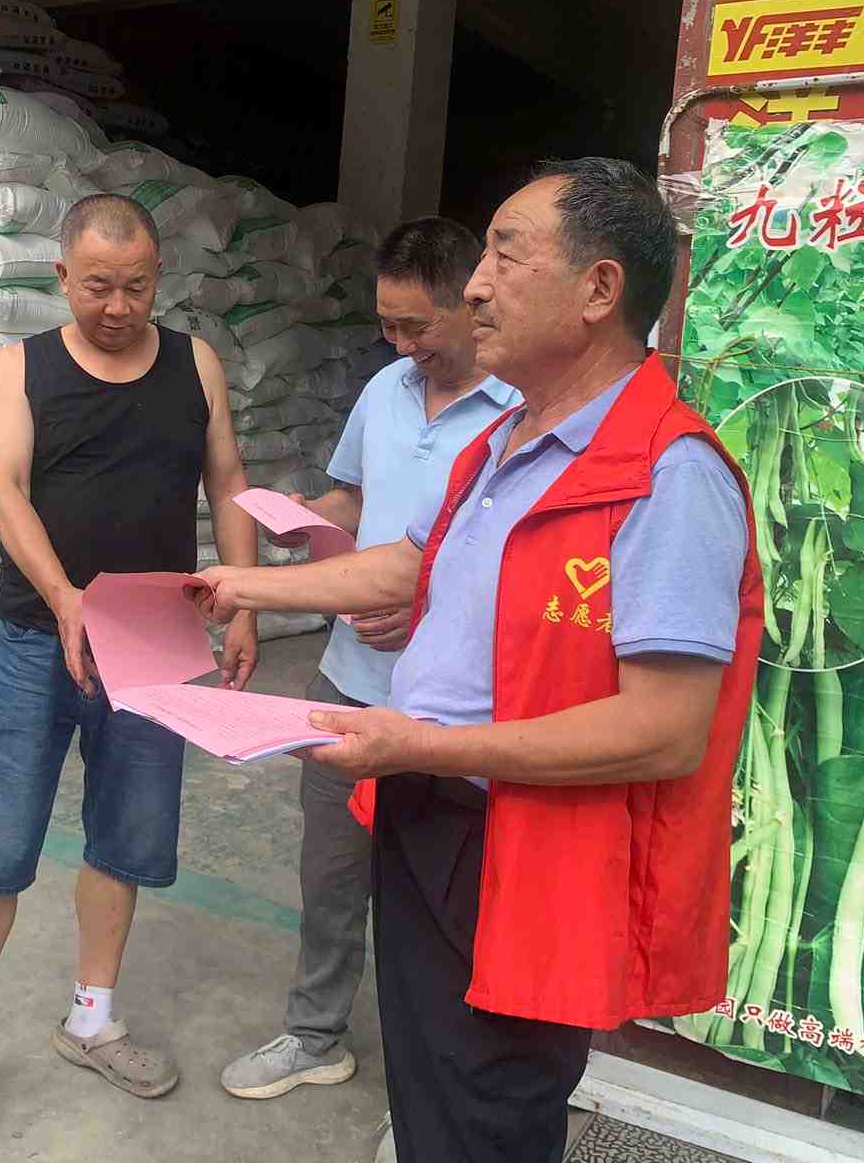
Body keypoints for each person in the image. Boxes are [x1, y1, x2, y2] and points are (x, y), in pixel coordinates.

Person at [196, 158, 762, 1162]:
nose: (475, 285)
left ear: (598, 289)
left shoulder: (667, 477)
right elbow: (409, 565)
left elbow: (665, 729)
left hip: (523, 845)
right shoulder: (502, 441)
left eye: (505, 253)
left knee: (489, 1103)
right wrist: (242, 587)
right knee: (429, 1082)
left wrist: (417, 741)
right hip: (425, 808)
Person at [0, 193, 261, 1141]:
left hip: (155, 643)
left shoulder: (193, 363)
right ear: (62, 276)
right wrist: (66, 598)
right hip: (37, 638)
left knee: (125, 836)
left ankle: (92, 1018)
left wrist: (244, 596)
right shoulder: (18, 368)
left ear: (159, 278)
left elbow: (226, 478)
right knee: (3, 844)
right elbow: (6, 489)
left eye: (136, 287)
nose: (118, 306)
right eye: (98, 286)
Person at [220, 218, 519, 1101]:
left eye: (414, 326)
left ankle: (434, 1089)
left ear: (469, 301)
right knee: (330, 876)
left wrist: (419, 603)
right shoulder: (386, 388)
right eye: (386, 325)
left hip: (450, 711)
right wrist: (301, 521)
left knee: (438, 903)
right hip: (346, 681)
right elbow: (355, 498)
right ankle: (314, 1035)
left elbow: (518, 563)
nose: (398, 343)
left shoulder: (520, 411)